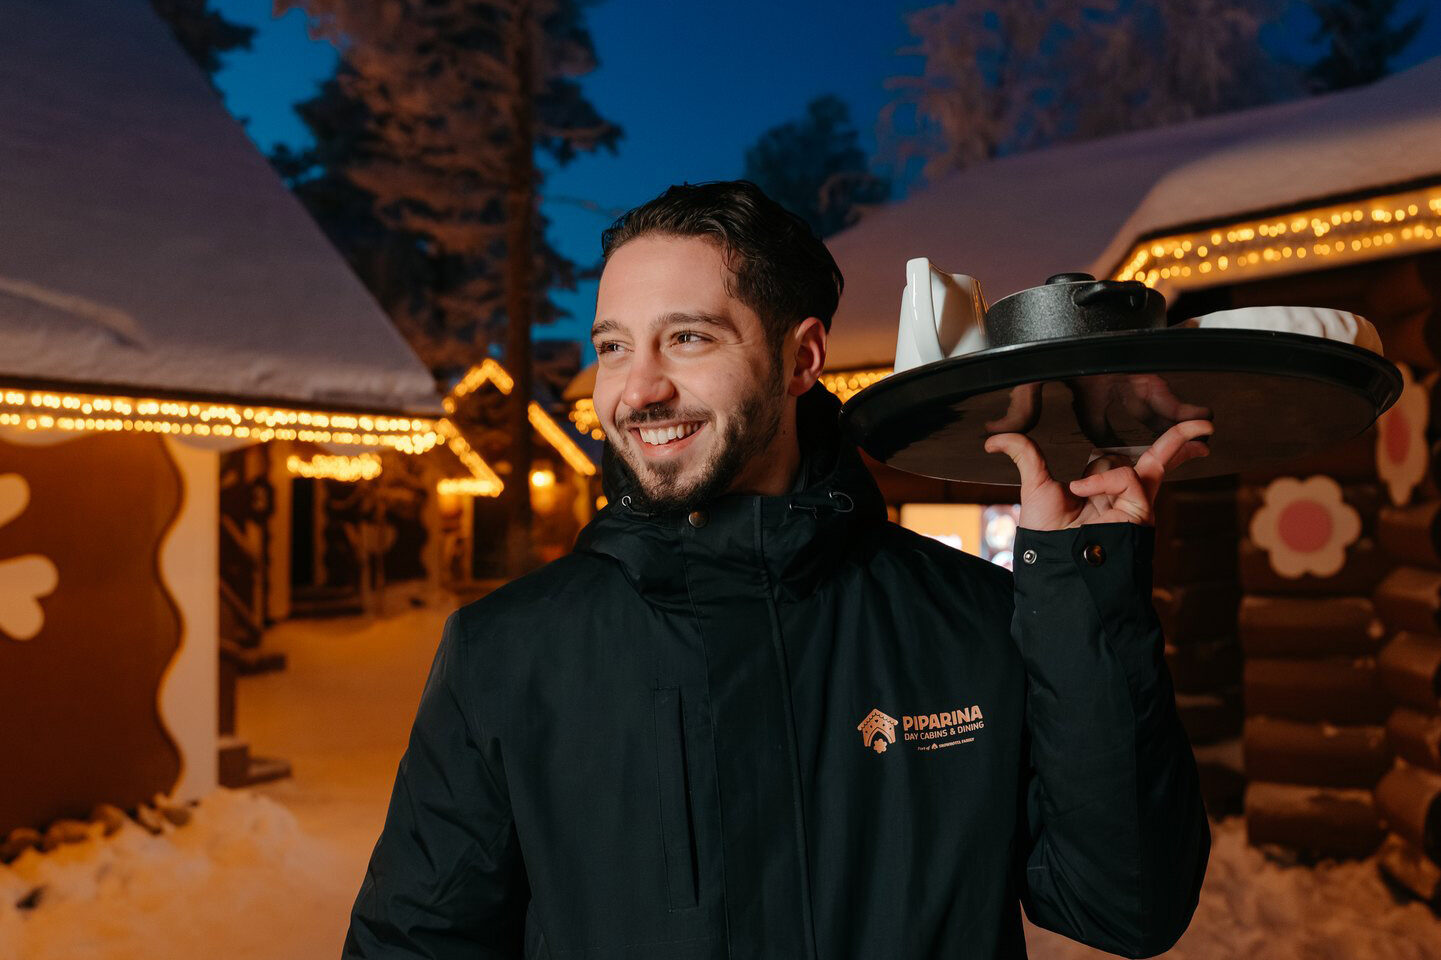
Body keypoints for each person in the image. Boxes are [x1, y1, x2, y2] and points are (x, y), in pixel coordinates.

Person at [342, 180, 1212, 959]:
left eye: (686, 338)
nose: (635, 390)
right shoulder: (507, 652)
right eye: (613, 347)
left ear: (802, 359)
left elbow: (1125, 907)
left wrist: (1085, 591)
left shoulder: (974, 620)